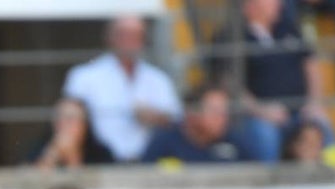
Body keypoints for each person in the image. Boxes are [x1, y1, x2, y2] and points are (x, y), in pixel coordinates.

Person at [210, 0, 330, 163]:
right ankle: (269, 182)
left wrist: (314, 103)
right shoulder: (231, 36)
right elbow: (230, 84)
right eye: (270, 1)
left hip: (300, 110)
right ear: (250, 5)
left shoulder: (288, 28)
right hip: (256, 114)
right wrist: (262, 111)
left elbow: (311, 64)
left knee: (321, 125)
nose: (278, 4)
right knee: (264, 134)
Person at [63, 15, 182, 162]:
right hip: (99, 159)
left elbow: (177, 120)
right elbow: (68, 119)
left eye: (136, 35)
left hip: (150, 161)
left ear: (144, 40)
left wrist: (155, 117)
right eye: (123, 34)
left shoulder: (159, 79)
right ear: (110, 37)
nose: (129, 41)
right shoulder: (84, 76)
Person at [142, 83, 259, 164]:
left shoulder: (234, 143)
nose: (222, 118)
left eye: (225, 111)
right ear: (192, 114)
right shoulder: (165, 143)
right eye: (214, 111)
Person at [28, 96, 114, 168]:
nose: (62, 123)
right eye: (58, 117)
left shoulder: (101, 154)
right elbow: (29, 181)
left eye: (70, 119)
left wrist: (73, 157)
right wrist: (51, 156)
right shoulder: (39, 148)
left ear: (84, 125)